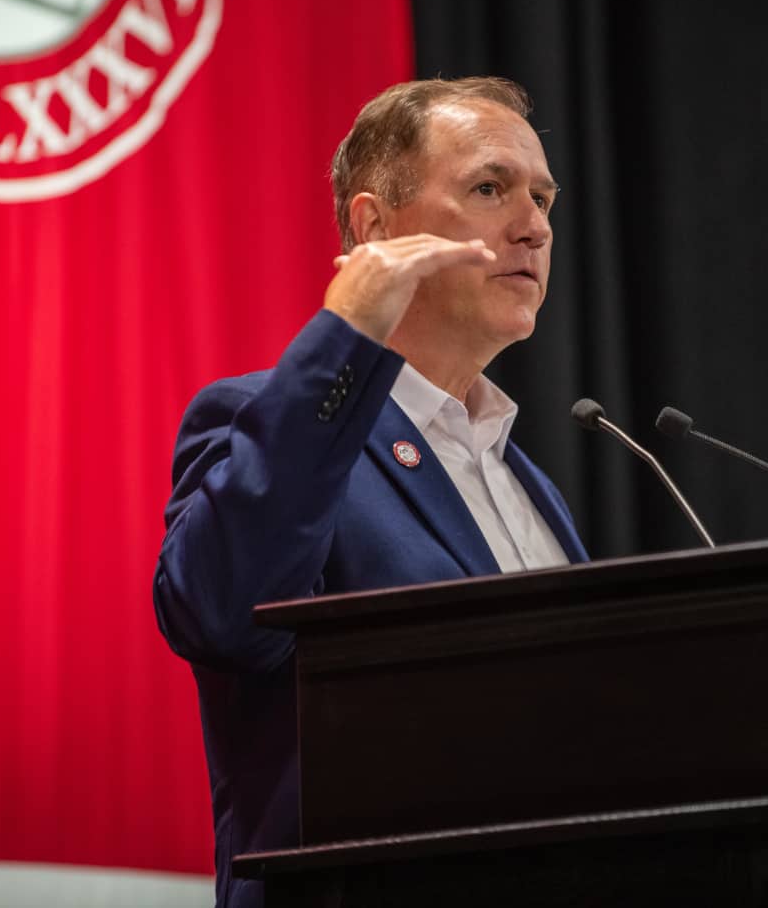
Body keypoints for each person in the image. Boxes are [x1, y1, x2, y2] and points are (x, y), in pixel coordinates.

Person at [152, 77, 589, 908]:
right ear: (375, 227)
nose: (534, 225)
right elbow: (219, 611)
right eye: (490, 189)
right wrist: (344, 336)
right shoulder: (266, 421)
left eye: (542, 197)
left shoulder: (531, 489)